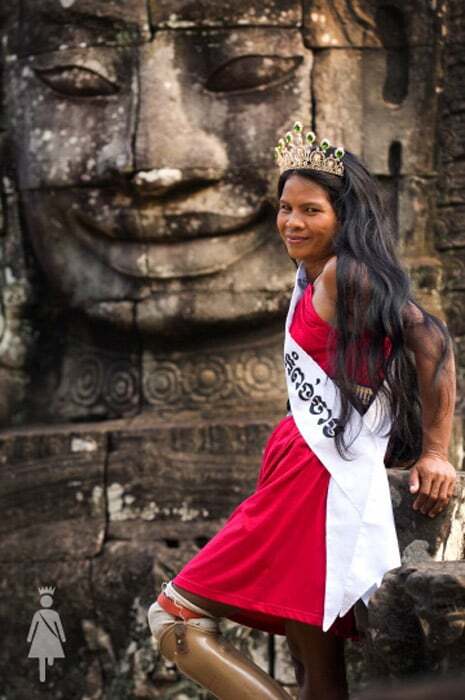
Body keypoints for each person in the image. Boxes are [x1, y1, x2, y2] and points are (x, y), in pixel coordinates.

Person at [147, 122, 457, 700]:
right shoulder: (313, 273)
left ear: (344, 216)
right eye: (285, 208)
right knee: (317, 674)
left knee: (173, 618)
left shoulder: (348, 272)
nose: (291, 222)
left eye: (310, 210)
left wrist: (438, 452)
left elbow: (432, 340)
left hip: (316, 479)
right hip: (299, 467)